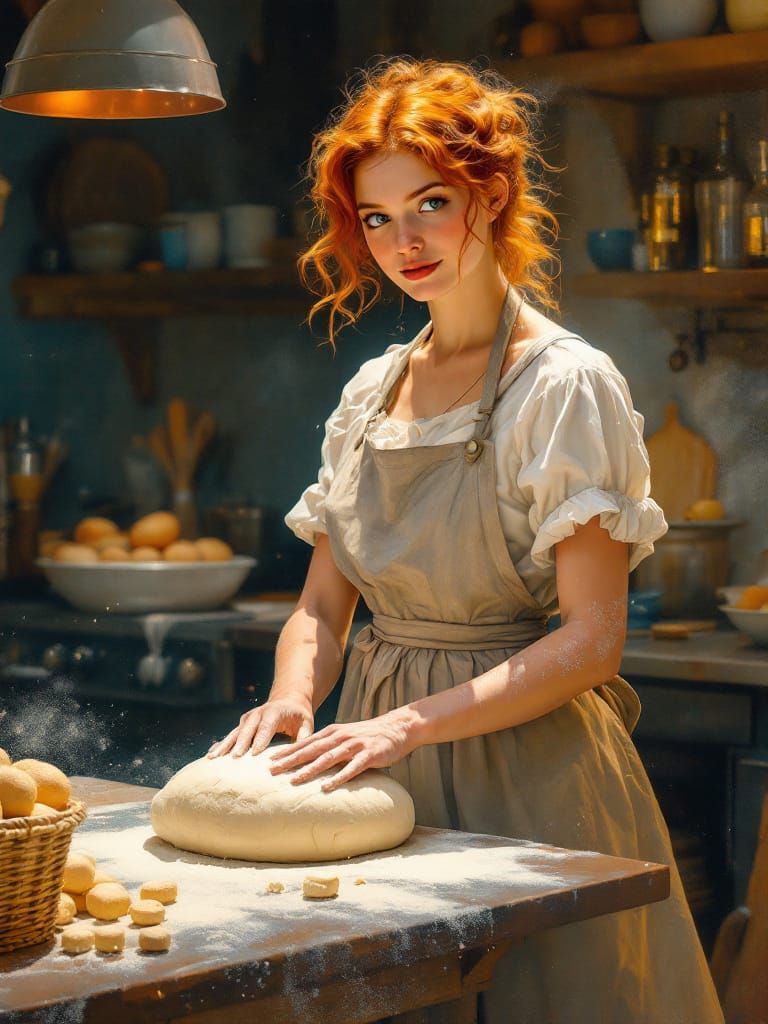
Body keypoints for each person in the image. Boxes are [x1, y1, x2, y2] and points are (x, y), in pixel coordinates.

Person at [209, 58, 723, 1023]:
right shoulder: (371, 393)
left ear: (492, 194)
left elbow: (591, 640)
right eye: (375, 217)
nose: (403, 241)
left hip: (527, 778)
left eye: (430, 203)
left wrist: (407, 722)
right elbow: (324, 605)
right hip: (370, 779)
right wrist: (291, 698)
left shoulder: (564, 386)